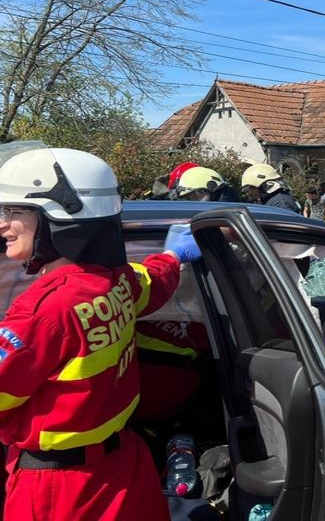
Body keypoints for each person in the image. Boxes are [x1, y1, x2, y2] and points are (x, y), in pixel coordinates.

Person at [0, 143, 201, 521]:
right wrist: (173, 256)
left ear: (56, 218)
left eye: (13, 211)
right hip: (126, 467)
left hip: (57, 491)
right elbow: (153, 281)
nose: (2, 224)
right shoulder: (117, 284)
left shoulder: (41, 313)